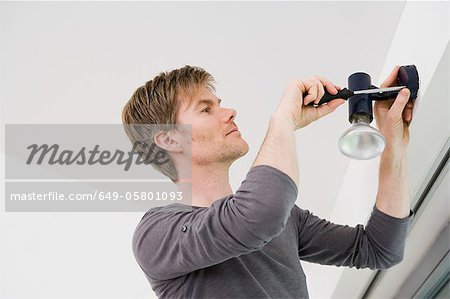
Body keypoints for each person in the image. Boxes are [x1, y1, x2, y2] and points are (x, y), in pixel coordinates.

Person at [121, 65, 414, 298]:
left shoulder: (285, 218)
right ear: (170, 139)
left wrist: (395, 143)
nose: (229, 111)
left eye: (218, 104)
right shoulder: (156, 234)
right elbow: (257, 216)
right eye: (206, 109)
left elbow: (379, 248)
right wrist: (283, 119)